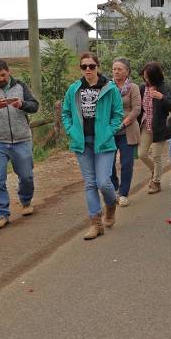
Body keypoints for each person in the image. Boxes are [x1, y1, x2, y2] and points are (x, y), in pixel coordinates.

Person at [61, 53, 123, 240]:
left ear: (98, 67)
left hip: (104, 143)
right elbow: (66, 113)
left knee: (103, 182)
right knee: (89, 183)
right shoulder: (74, 89)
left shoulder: (110, 88)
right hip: (82, 143)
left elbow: (117, 114)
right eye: (84, 66)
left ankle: (110, 205)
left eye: (91, 66)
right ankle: (95, 223)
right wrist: (71, 130)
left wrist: (109, 131)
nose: (88, 69)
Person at [0, 59, 39, 230]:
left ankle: (26, 202)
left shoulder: (21, 87)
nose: (1, 78)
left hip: (21, 139)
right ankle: (1, 213)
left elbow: (35, 106)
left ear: (8, 72)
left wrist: (22, 104)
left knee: (26, 176)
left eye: (3, 75)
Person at [138, 62, 171, 193]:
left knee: (156, 156)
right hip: (145, 125)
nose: (145, 79)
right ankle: (155, 171)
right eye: (144, 76)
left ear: (155, 76)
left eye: (148, 77)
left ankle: (156, 182)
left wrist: (161, 97)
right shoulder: (142, 88)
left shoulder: (163, 88)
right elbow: (139, 108)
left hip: (159, 126)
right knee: (141, 154)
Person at [109, 57, 141, 207]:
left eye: (119, 69)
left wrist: (123, 123)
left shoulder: (133, 88)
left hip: (127, 130)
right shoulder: (107, 87)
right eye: (114, 69)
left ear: (127, 72)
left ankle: (123, 193)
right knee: (109, 163)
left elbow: (136, 109)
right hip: (110, 131)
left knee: (126, 163)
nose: (116, 71)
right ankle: (115, 188)